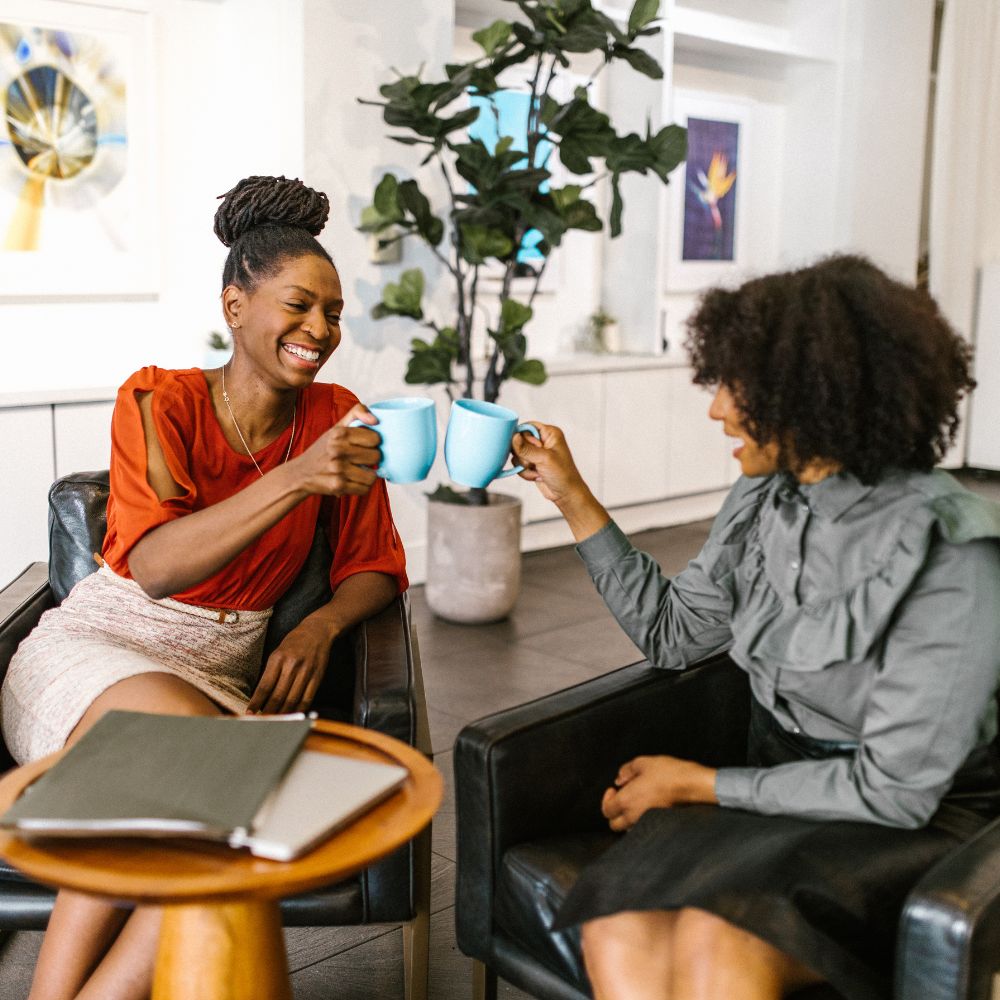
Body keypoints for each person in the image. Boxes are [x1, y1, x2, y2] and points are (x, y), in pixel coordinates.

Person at [510, 254, 1000, 1000]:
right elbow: (674, 634)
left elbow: (896, 792)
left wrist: (700, 783)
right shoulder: (764, 496)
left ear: (812, 392)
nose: (717, 410)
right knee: (617, 924)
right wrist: (573, 497)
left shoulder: (955, 552)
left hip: (909, 825)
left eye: (736, 385)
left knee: (720, 945)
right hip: (776, 785)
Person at [0, 175, 407, 1000]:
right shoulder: (159, 400)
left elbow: (377, 566)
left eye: (332, 313)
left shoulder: (339, 416)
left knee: (201, 820)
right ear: (235, 305)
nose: (320, 330)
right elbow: (152, 566)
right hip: (103, 645)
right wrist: (297, 480)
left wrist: (318, 627)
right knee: (171, 769)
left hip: (220, 672)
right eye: (298, 305)